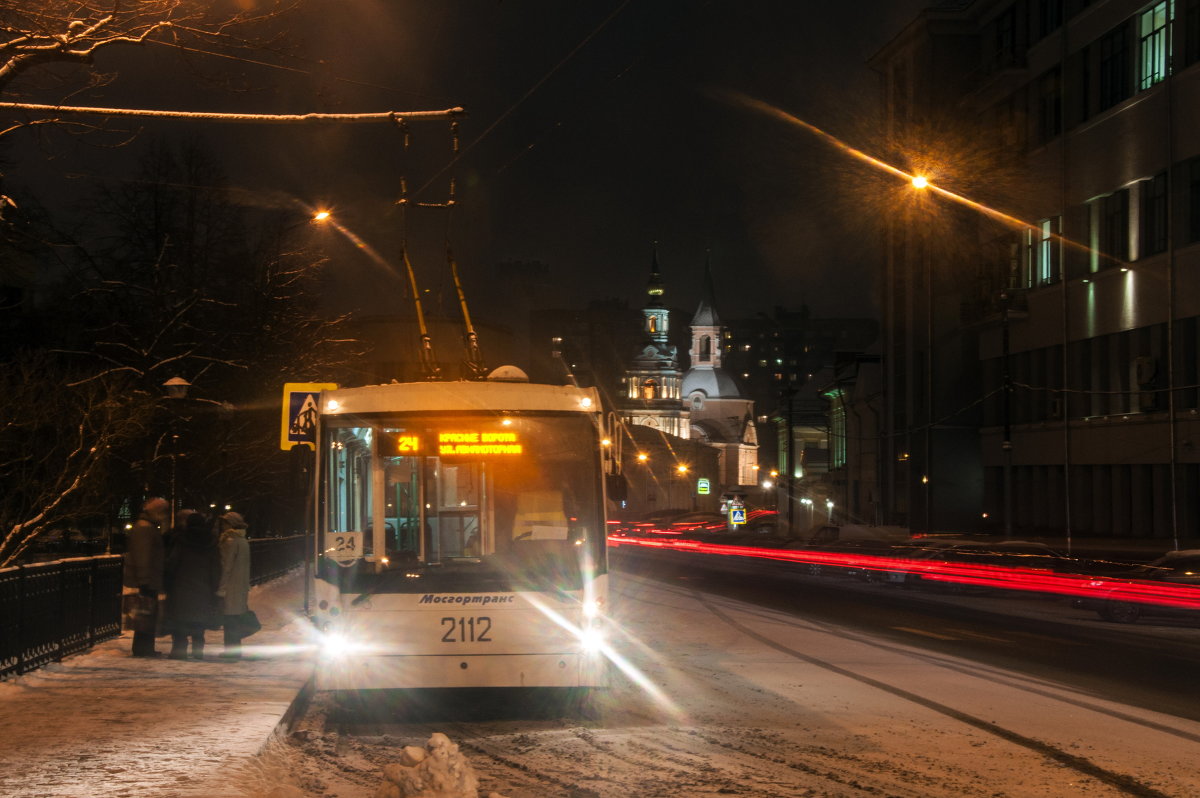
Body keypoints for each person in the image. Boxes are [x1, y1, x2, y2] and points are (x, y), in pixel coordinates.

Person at [163, 511, 221, 660]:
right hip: (204, 588)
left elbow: (172, 563)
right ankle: (198, 650)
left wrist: (168, 581)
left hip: (181, 586)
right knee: (199, 621)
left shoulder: (181, 541)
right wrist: (215, 587)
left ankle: (179, 650)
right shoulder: (211, 543)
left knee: (180, 620)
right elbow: (216, 568)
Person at [122, 497, 169, 658]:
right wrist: (144, 580)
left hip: (148, 578)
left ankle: (144, 647)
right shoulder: (145, 528)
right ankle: (143, 648)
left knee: (146, 614)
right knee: (146, 614)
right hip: (148, 579)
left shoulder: (145, 526)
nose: (163, 516)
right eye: (162, 512)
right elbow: (143, 556)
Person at [216, 511, 252, 660]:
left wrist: (221, 588)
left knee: (229, 620)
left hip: (230, 587)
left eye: (224, 522)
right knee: (235, 619)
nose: (222, 525)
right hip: (240, 586)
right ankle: (235, 650)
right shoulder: (242, 540)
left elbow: (226, 566)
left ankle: (230, 652)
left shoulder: (230, 540)